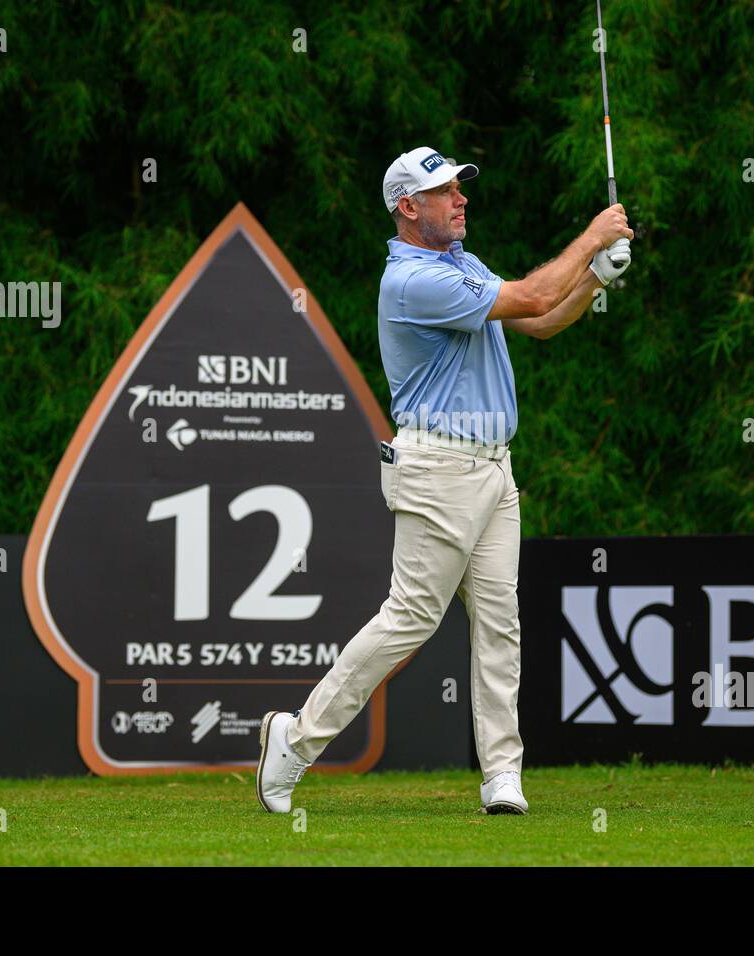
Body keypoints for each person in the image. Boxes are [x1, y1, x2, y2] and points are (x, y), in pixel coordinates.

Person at [257, 146, 633, 814]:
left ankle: (501, 775)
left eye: (460, 188)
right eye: (444, 191)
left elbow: (542, 320)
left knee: (499, 622)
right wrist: (593, 238)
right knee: (409, 619)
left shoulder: (460, 265)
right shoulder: (411, 281)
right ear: (408, 206)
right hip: (439, 468)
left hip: (493, 465)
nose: (460, 199)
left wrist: (596, 277)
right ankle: (294, 741)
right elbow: (538, 292)